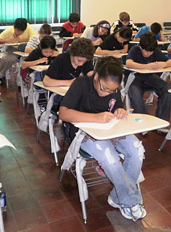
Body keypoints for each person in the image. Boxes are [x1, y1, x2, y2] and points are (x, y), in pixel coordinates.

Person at [59, 56, 146, 221]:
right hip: (83, 133)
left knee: (136, 150)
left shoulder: (113, 88)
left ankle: (117, 197)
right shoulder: (81, 84)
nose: (107, 93)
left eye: (111, 90)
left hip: (110, 129)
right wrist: (95, 117)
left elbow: (117, 105)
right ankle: (129, 201)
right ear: (96, 76)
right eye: (104, 88)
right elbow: (63, 113)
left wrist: (120, 111)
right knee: (110, 158)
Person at [126, 32, 171, 124]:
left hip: (149, 77)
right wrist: (146, 66)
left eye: (151, 51)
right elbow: (128, 63)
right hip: (134, 78)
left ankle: (161, 121)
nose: (149, 54)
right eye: (146, 51)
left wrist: (162, 64)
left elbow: (170, 62)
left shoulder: (154, 51)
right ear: (140, 47)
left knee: (167, 88)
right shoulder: (135, 49)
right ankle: (142, 122)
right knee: (135, 92)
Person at [0, 18, 36, 85]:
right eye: (17, 30)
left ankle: (24, 79)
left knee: (30, 59)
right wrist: (8, 40)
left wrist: (20, 40)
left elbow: (33, 39)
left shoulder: (28, 28)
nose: (18, 33)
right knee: (8, 59)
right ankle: (1, 74)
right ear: (14, 27)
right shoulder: (9, 30)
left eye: (21, 31)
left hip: (25, 49)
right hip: (13, 48)